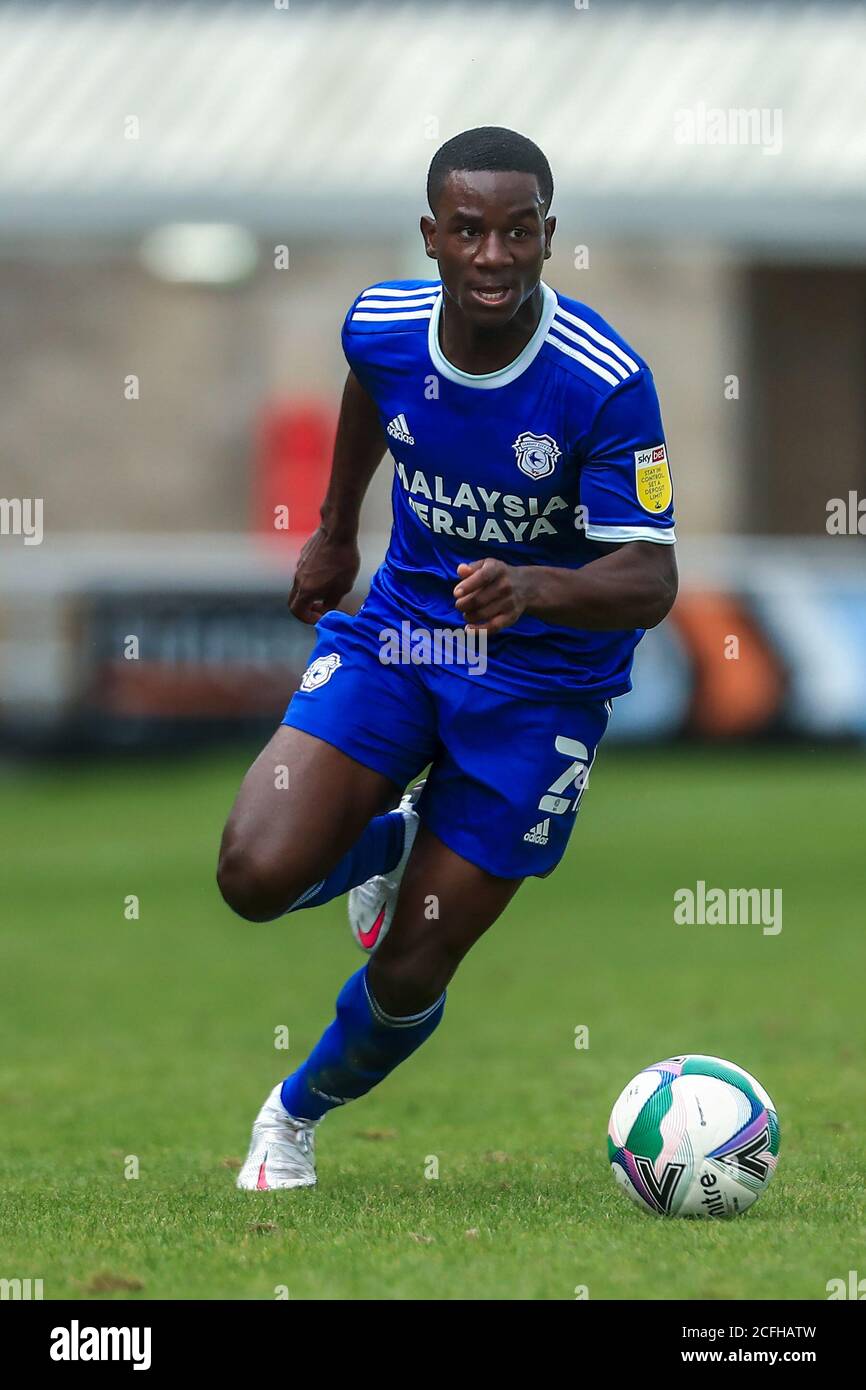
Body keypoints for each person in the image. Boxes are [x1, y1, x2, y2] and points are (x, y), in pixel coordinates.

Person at [217, 126, 678, 1190]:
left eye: (517, 231)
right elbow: (369, 394)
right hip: (404, 635)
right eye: (467, 229)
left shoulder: (602, 383)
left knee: (412, 960)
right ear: (430, 234)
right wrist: (335, 529)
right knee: (253, 873)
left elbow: (649, 581)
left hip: (542, 689)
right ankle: (385, 841)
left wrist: (536, 589)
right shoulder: (380, 326)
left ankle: (291, 1117)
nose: (491, 255)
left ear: (547, 237)